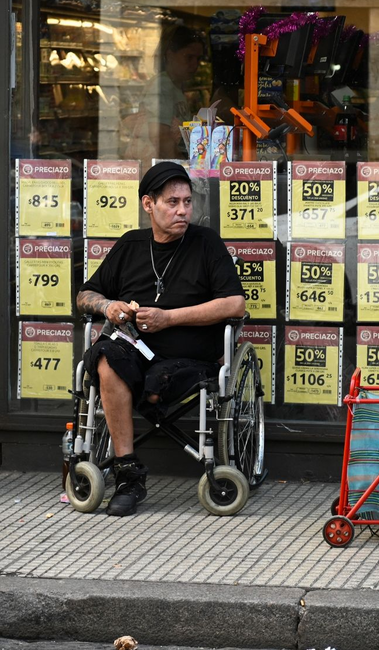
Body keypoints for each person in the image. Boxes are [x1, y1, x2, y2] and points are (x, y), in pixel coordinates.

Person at [76, 161, 245, 517]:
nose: (183, 210)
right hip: (135, 350)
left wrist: (169, 318)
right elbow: (85, 294)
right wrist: (109, 308)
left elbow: (235, 303)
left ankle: (142, 425)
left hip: (191, 356)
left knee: (153, 382)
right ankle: (127, 473)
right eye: (172, 202)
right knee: (107, 358)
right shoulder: (131, 246)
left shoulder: (205, 244)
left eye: (187, 201)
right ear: (148, 204)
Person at [124, 26, 206, 162]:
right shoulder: (163, 85)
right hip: (160, 168)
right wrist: (183, 167)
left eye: (198, 59)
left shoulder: (175, 85)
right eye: (189, 57)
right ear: (169, 55)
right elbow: (160, 137)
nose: (194, 65)